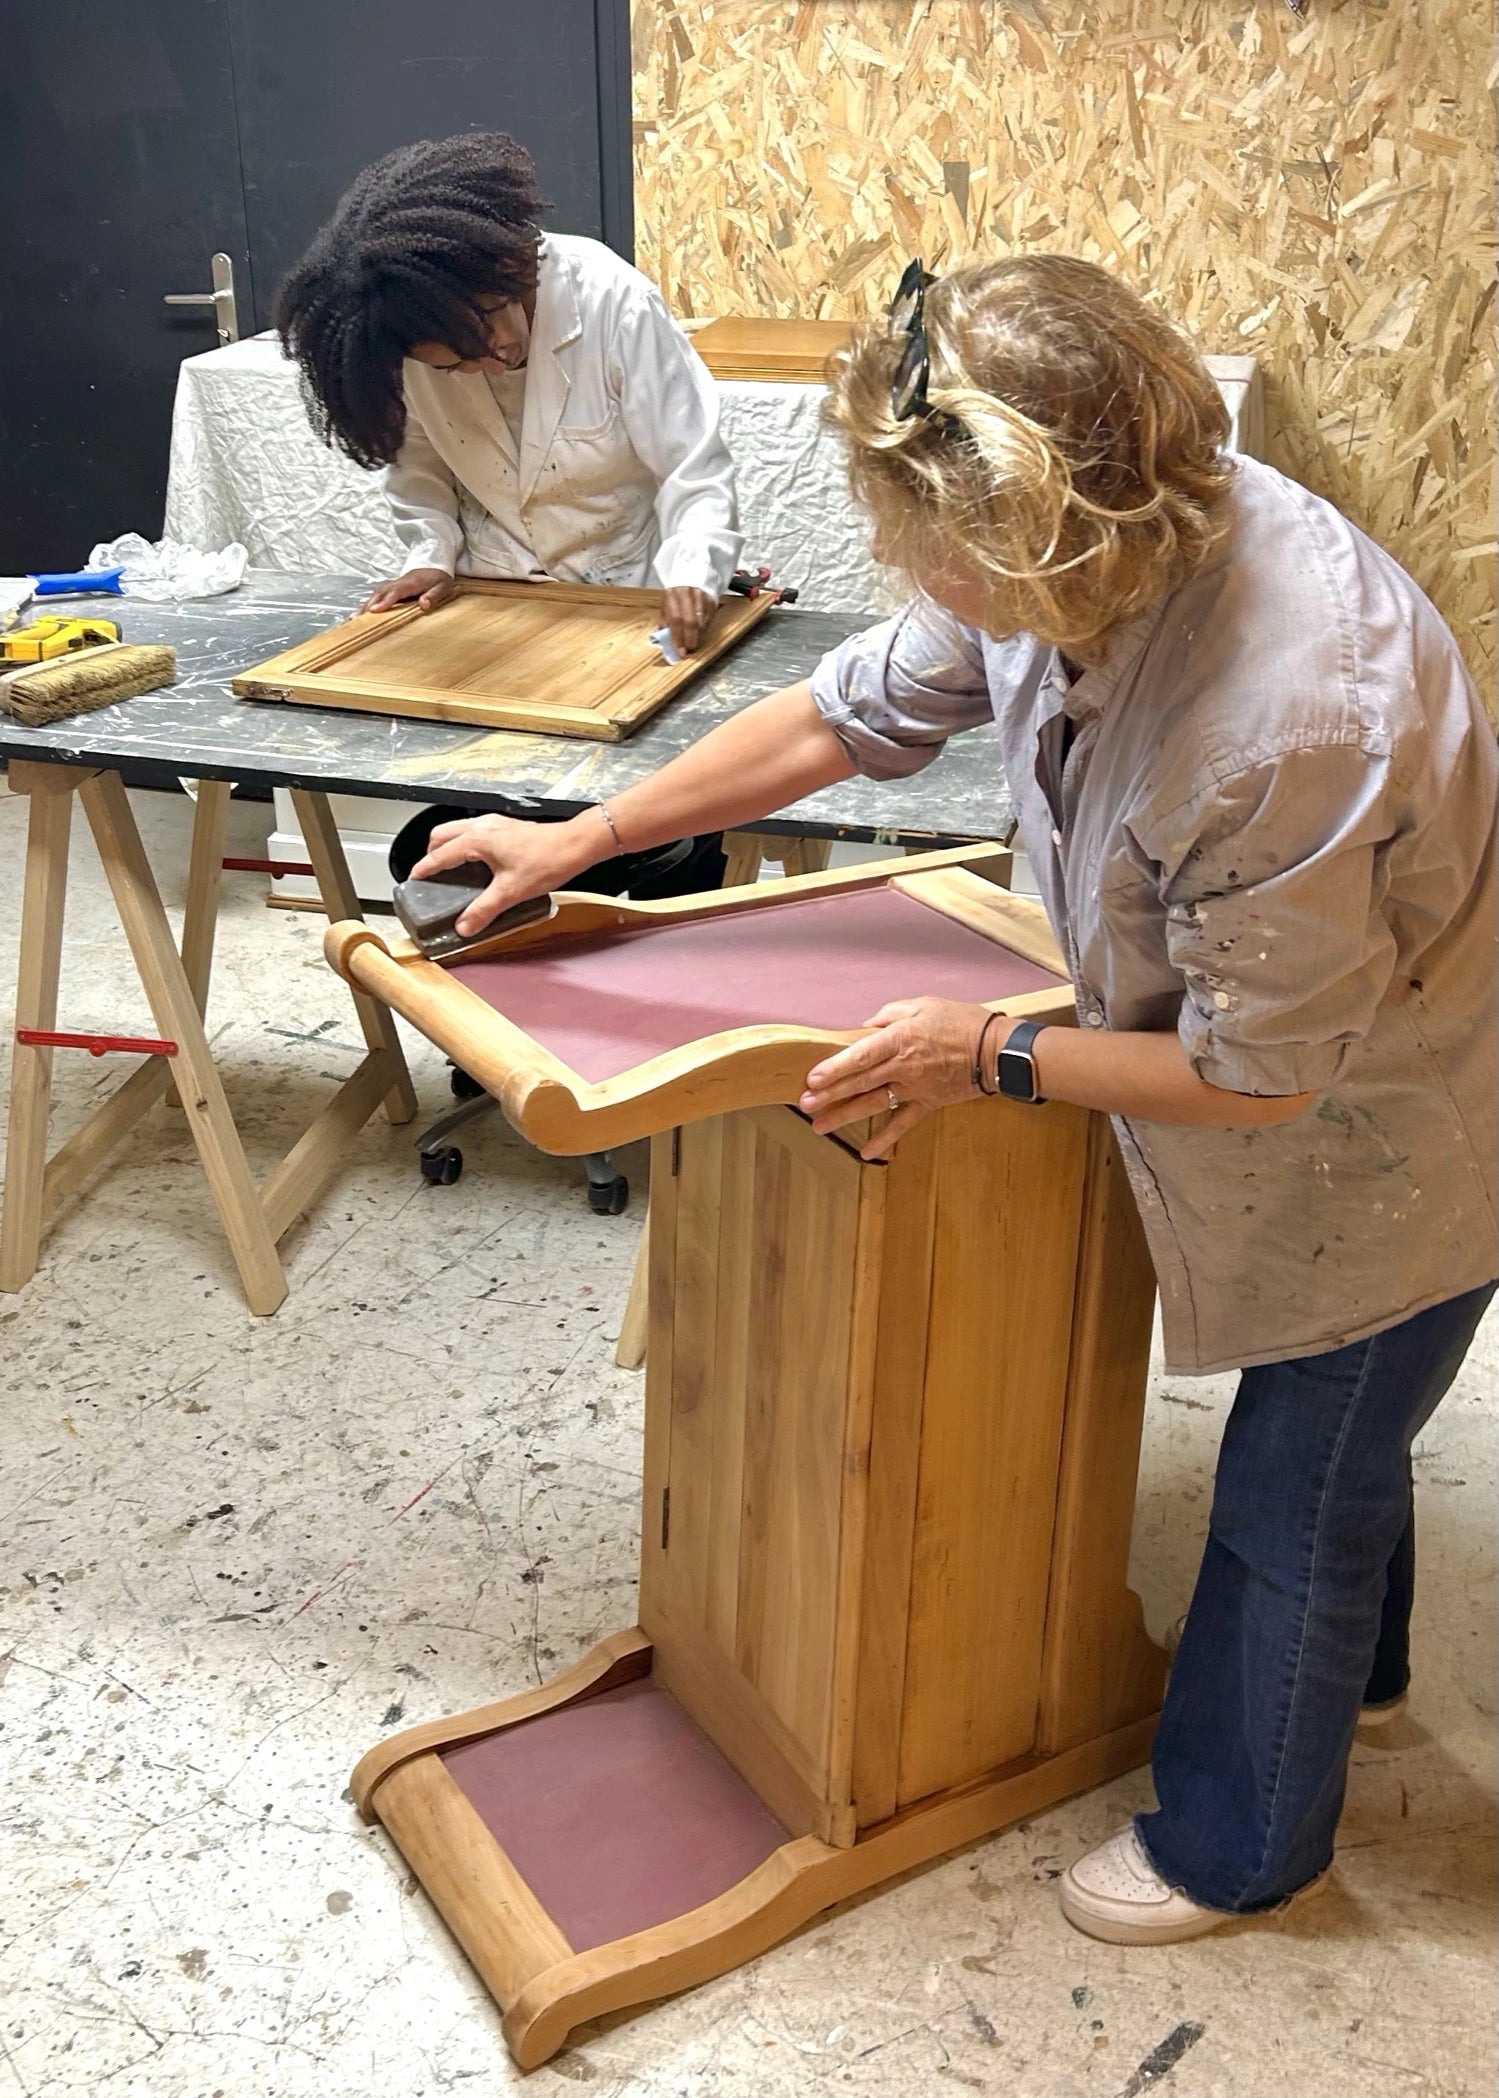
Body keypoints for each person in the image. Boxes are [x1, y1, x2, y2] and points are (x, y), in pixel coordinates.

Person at [408, 254, 1497, 1945]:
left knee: (1303, 1465)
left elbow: (1262, 1069)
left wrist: (981, 1048)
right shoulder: (1063, 522)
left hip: (1391, 1112)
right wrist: (587, 832)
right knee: (1332, 1431)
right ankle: (1353, 1677)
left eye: (923, 549)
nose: (898, 574)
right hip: (1296, 1049)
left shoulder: (1288, 712)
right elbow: (842, 717)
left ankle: (1238, 1841)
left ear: (1047, 534)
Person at [277, 131, 741, 658]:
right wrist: (430, 555)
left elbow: (692, 467)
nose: (493, 359)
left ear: (508, 268)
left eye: (490, 325)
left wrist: (694, 572)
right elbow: (419, 465)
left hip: (627, 597)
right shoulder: (404, 331)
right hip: (491, 599)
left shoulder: (613, 300)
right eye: (455, 364)